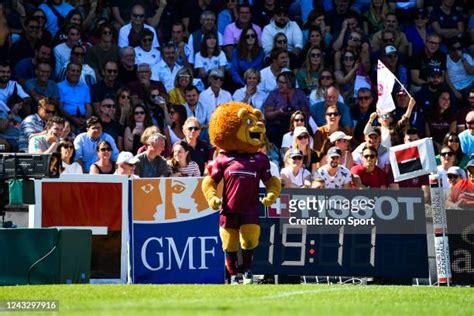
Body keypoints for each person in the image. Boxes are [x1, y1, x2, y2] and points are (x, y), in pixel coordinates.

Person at [263, 71, 309, 147]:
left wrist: (295, 112)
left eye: (283, 82)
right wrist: (278, 112)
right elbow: (268, 114)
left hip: (296, 121)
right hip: (278, 123)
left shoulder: (299, 94)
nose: (279, 85)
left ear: (290, 83)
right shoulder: (273, 94)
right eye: (278, 82)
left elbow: (305, 112)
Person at [57, 62, 92, 131]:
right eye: (73, 71)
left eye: (78, 71)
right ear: (67, 71)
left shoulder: (85, 87)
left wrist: (86, 119)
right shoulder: (59, 86)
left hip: (83, 119)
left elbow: (88, 107)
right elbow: (60, 107)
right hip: (67, 119)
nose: (75, 73)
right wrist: (73, 119)